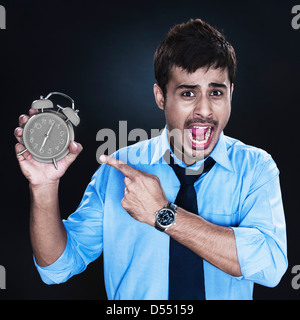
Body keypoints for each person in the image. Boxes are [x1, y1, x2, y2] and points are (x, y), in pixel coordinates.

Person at [14, 18, 287, 300]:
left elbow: (270, 266)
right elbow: (56, 267)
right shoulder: (117, 170)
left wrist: (163, 214)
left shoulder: (256, 168)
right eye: (188, 93)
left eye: (216, 92)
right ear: (160, 96)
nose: (204, 110)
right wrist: (43, 188)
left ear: (231, 94)